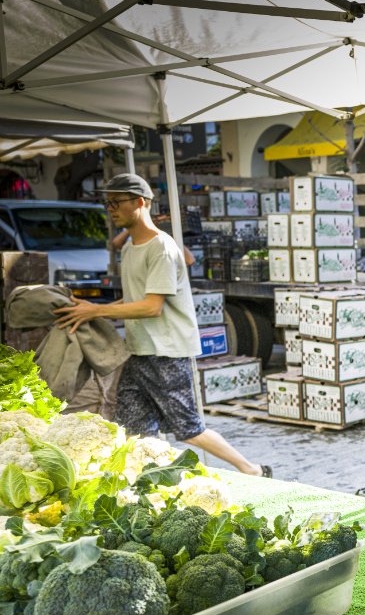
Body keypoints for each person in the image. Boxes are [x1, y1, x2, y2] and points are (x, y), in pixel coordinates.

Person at [53, 173, 271, 477]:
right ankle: (152, 481)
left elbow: (152, 307)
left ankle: (252, 470)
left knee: (187, 428)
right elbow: (134, 300)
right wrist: (90, 311)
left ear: (140, 203)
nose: (110, 209)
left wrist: (96, 311)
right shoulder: (130, 248)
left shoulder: (162, 249)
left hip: (168, 351)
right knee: (134, 429)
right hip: (140, 350)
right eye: (108, 203)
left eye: (116, 202)